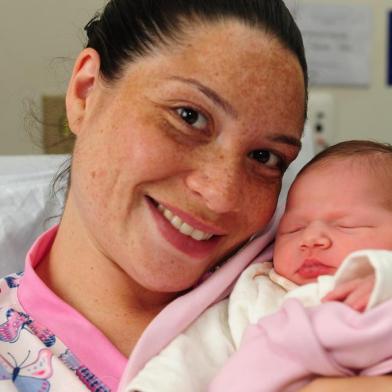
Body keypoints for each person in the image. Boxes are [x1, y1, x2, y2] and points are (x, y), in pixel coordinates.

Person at [0, 0, 388, 391]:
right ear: (85, 93)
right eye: (189, 116)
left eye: (264, 157)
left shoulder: (307, 281)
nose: (220, 195)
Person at [124, 140, 392, 392]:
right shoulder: (258, 292)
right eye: (293, 229)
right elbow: (199, 350)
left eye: (346, 226)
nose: (310, 239)